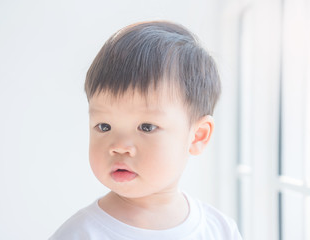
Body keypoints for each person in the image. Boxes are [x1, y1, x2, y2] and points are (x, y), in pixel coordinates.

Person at [50, 21, 242, 239]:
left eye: (146, 127)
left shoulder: (220, 230)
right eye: (104, 126)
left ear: (197, 136)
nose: (119, 146)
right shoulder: (81, 234)